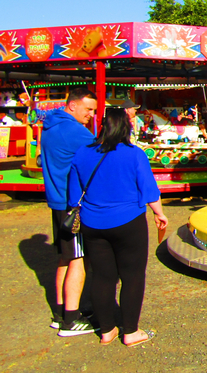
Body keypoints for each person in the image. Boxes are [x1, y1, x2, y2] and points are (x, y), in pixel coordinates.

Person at [68, 108, 168, 347]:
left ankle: (106, 330)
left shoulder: (82, 153)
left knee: (102, 277)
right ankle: (131, 331)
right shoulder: (134, 154)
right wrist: (159, 213)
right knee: (132, 276)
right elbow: (149, 190)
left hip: (92, 224)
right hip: (129, 222)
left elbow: (73, 197)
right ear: (127, 128)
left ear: (101, 126)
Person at [40, 87, 98, 337]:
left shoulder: (51, 126)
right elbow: (102, 154)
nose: (91, 115)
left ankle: (61, 312)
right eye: (88, 109)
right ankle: (71, 321)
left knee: (65, 257)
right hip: (72, 204)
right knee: (78, 259)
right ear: (73, 105)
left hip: (57, 201)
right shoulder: (74, 131)